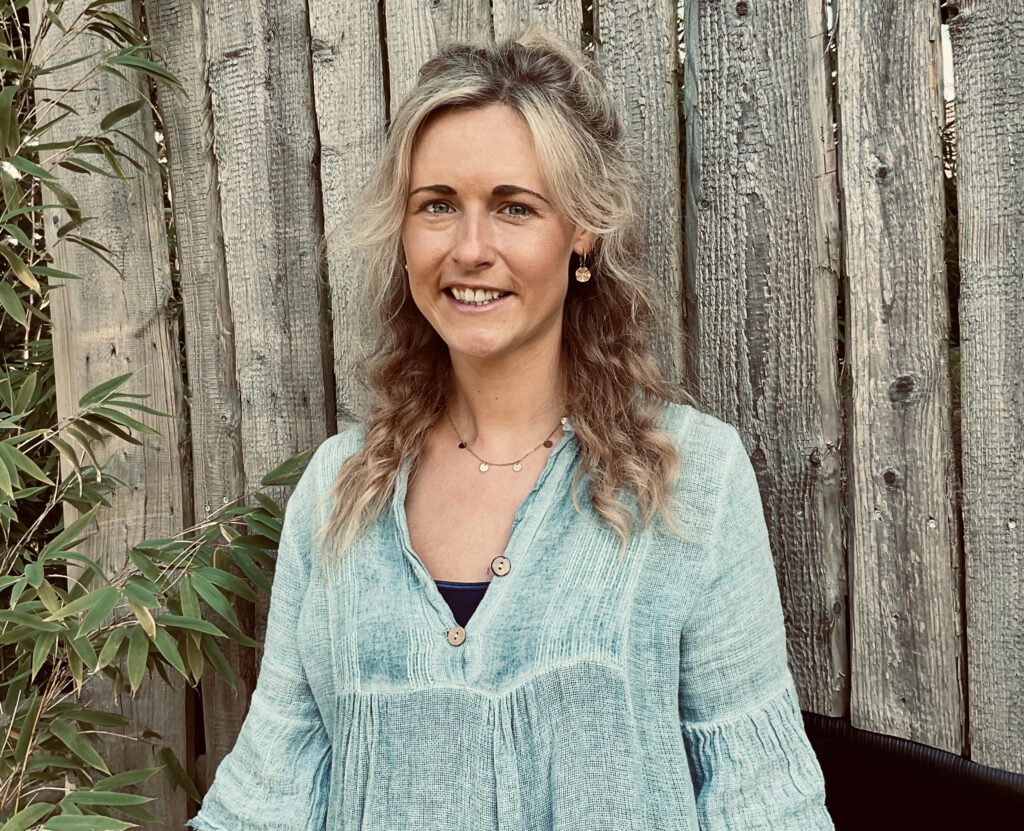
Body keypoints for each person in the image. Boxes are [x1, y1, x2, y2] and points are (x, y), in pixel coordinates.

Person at [187, 28, 834, 831]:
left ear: (582, 231)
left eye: (514, 207)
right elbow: (266, 794)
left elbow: (765, 799)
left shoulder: (690, 477)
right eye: (437, 206)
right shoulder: (337, 491)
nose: (470, 248)